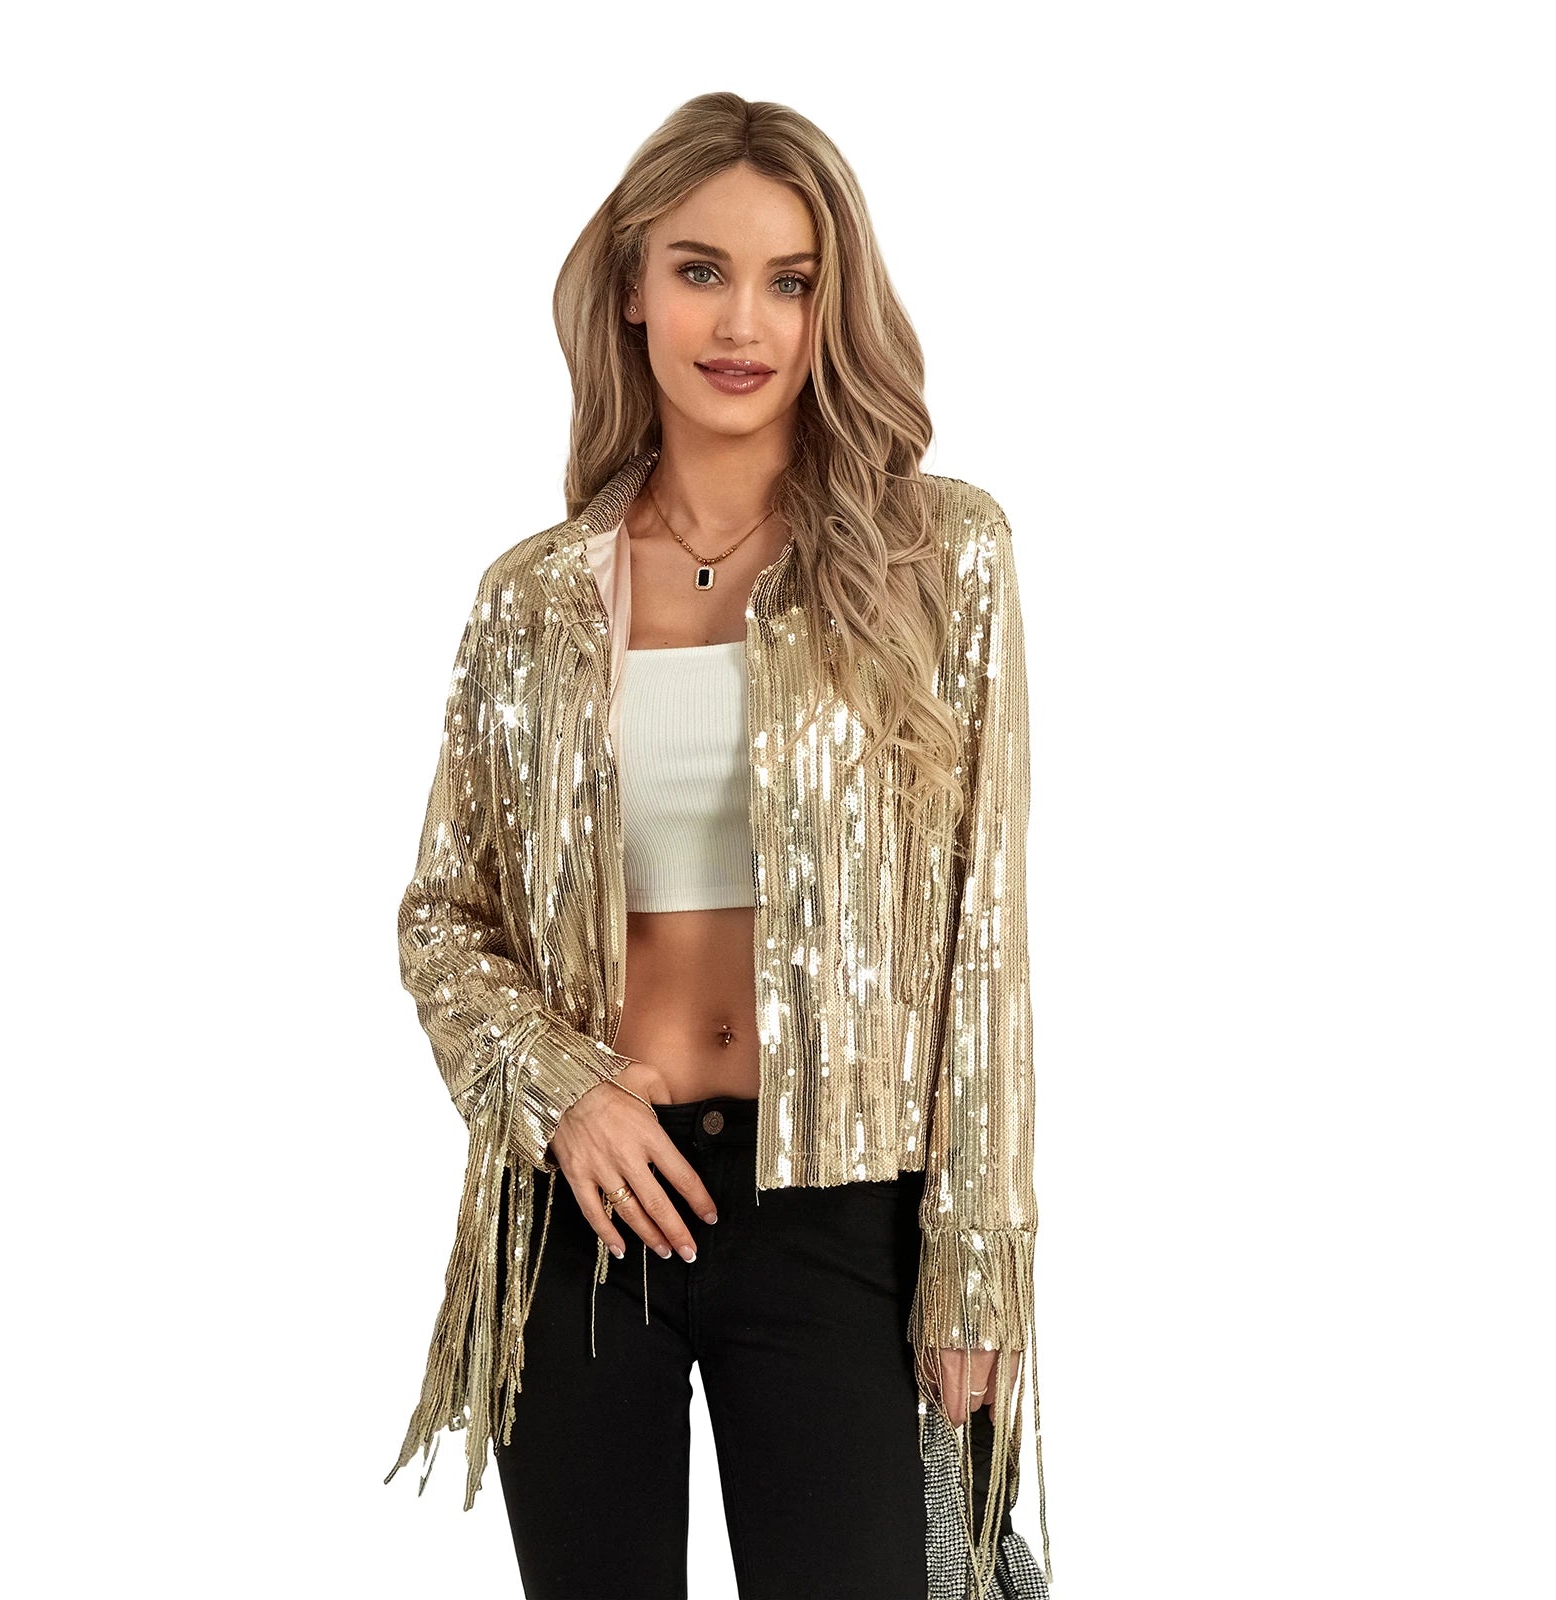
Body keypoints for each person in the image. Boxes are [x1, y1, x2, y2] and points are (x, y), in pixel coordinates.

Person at [383, 91, 1052, 1600]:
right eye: (701, 271)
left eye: (789, 280)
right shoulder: (536, 597)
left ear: (831, 307)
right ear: (630, 287)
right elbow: (442, 915)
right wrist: (561, 1091)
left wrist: (979, 1258)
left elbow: (985, 934)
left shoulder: (939, 557)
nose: (743, 322)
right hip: (585, 1205)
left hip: (839, 1211)